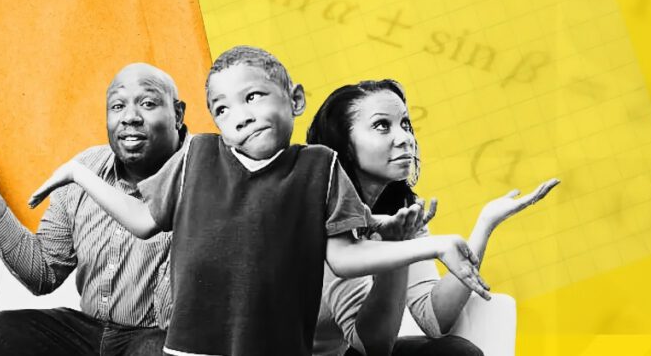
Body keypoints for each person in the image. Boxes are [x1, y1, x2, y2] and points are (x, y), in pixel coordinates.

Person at [30, 46, 492, 356]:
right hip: (191, 349)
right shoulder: (197, 155)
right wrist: (78, 174)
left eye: (252, 97)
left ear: (294, 100)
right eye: (223, 109)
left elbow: (346, 256)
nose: (239, 117)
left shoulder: (320, 167)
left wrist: (430, 245)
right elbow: (143, 219)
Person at [0, 63, 189, 356]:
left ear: (178, 114)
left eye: (147, 103)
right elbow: (43, 273)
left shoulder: (206, 170)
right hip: (89, 333)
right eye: (117, 106)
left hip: (158, 338)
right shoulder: (85, 169)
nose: (130, 117)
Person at [308, 80, 559, 356]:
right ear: (344, 144)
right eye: (382, 125)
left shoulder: (403, 211)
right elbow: (373, 347)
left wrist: (485, 224)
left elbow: (434, 320)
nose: (405, 138)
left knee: (454, 352)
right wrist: (400, 247)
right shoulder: (322, 208)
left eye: (405, 124)